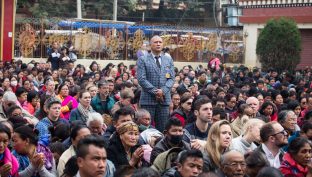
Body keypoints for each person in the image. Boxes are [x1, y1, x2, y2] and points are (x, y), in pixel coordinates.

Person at [137, 35, 175, 132]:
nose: (158, 44)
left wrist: (163, 91)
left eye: (160, 42)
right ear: (150, 45)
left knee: (162, 130)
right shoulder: (143, 59)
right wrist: (156, 92)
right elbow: (141, 79)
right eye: (155, 42)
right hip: (148, 100)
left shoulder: (168, 59)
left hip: (164, 100)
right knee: (145, 129)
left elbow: (171, 78)